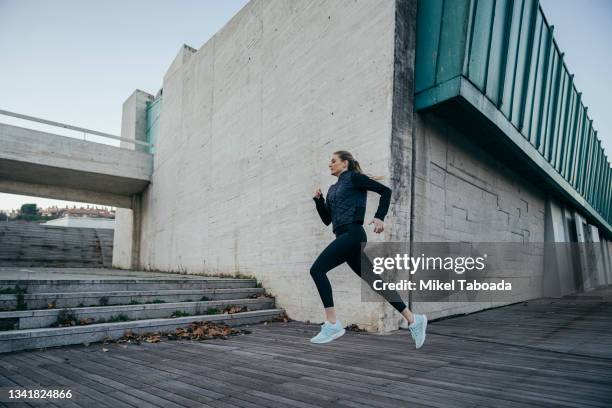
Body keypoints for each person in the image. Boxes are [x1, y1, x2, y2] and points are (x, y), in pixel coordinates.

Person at [309, 150, 427, 348]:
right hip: (343, 237)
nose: (330, 164)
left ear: (345, 163)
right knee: (375, 282)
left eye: (334, 161)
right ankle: (414, 319)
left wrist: (380, 216)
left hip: (353, 234)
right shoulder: (332, 189)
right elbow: (327, 220)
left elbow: (385, 191)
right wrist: (319, 201)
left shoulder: (354, 178)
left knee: (317, 269)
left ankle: (332, 323)